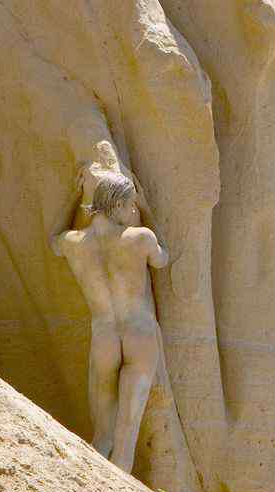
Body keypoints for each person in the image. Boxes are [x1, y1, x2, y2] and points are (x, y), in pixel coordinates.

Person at [50, 168, 168, 472]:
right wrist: (148, 210)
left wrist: (73, 198)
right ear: (117, 204)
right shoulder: (140, 238)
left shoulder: (75, 242)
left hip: (105, 338)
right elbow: (162, 259)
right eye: (130, 204)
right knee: (126, 437)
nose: (133, 210)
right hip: (140, 336)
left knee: (103, 436)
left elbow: (53, 240)